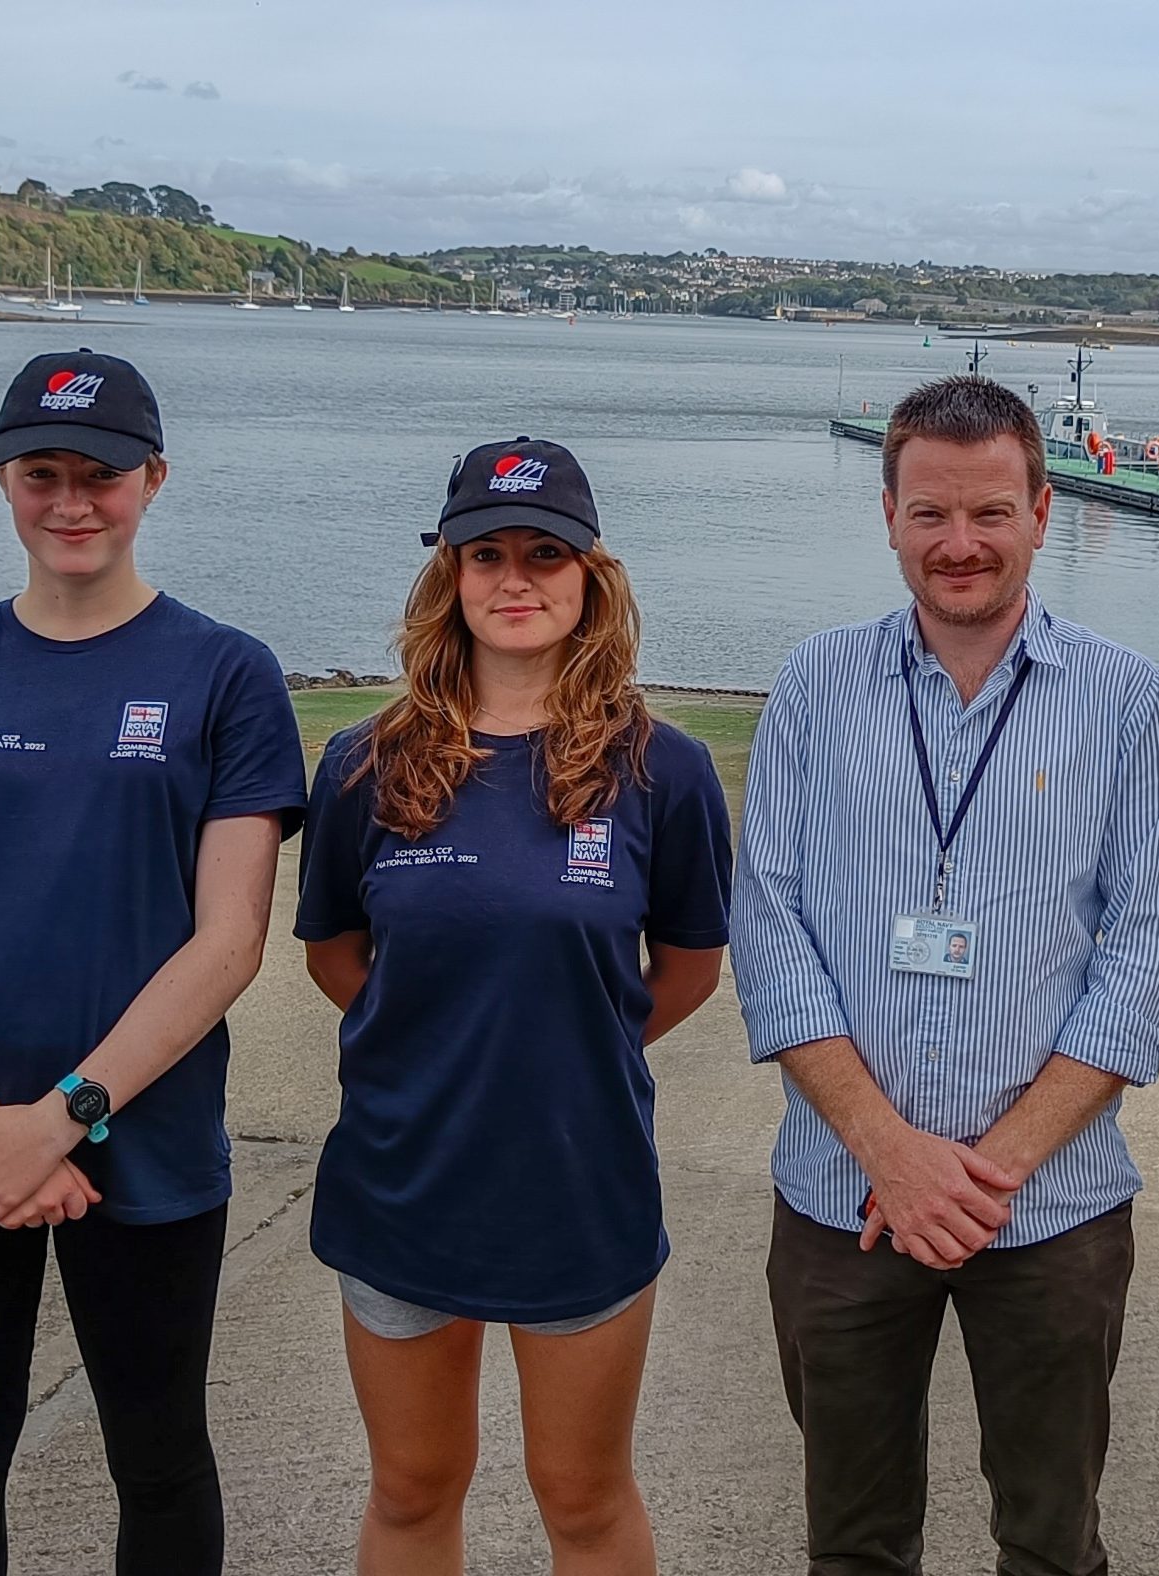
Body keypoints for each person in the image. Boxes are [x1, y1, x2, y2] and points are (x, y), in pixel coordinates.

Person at [0, 349, 308, 1576]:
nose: (72, 501)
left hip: (143, 1136)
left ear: (155, 479)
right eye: (43, 472)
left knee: (158, 1457)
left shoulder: (223, 672)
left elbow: (229, 938)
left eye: (103, 474)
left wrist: (68, 1117)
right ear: (3, 480)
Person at [734, 376, 1159, 1576]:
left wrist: (988, 1171)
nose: (960, 544)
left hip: (1048, 1208)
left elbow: (1151, 953)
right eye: (930, 513)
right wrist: (891, 1151)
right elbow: (770, 931)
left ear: (1044, 510)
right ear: (885, 513)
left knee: (1051, 1537)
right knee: (853, 1541)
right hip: (845, 1198)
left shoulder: (1127, 700)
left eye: (990, 512)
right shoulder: (813, 684)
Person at [295, 438, 733, 1576]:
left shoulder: (662, 769)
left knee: (581, 1497)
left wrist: (570, 1042)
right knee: (410, 1485)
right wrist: (439, 1043)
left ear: (593, 576)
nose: (515, 578)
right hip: (404, 1178)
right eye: (486, 553)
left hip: (576, 1183)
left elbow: (687, 964)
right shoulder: (363, 762)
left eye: (547, 553)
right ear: (449, 573)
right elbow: (335, 952)